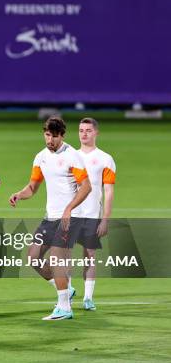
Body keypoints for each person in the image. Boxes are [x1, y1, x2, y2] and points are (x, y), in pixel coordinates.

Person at [9, 116, 92, 320]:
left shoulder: (73, 156)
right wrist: (19, 194)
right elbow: (32, 187)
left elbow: (87, 186)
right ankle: (65, 290)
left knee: (57, 260)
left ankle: (64, 307)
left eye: (54, 136)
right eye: (47, 135)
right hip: (50, 218)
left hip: (70, 218)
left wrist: (69, 208)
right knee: (33, 257)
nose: (50, 140)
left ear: (62, 135)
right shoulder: (41, 157)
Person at [77, 117, 116, 311]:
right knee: (61, 256)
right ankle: (64, 293)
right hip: (70, 214)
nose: (84, 133)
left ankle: (88, 298)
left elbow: (108, 192)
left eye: (88, 130)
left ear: (96, 133)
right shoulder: (70, 156)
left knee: (89, 256)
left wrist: (105, 220)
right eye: (81, 130)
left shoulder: (105, 159)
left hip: (92, 215)